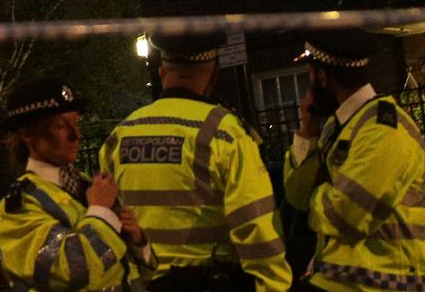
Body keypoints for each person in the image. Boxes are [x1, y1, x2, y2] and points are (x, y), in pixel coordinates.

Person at [100, 32, 292, 292]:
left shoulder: (121, 135)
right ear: (215, 74)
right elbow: (255, 226)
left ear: (162, 73)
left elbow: (107, 220)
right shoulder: (225, 134)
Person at [281, 33, 425, 292]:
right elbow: (296, 196)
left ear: (321, 76)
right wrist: (307, 130)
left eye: (310, 75)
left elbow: (347, 217)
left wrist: (316, 196)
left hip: (385, 284)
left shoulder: (384, 129)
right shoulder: (336, 125)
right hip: (339, 282)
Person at [0, 76, 155, 291]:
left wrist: (137, 241)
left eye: (76, 123)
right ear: (27, 134)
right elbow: (72, 270)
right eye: (61, 125)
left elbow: (140, 273)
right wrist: (101, 213)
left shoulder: (88, 186)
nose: (75, 135)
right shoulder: (16, 210)